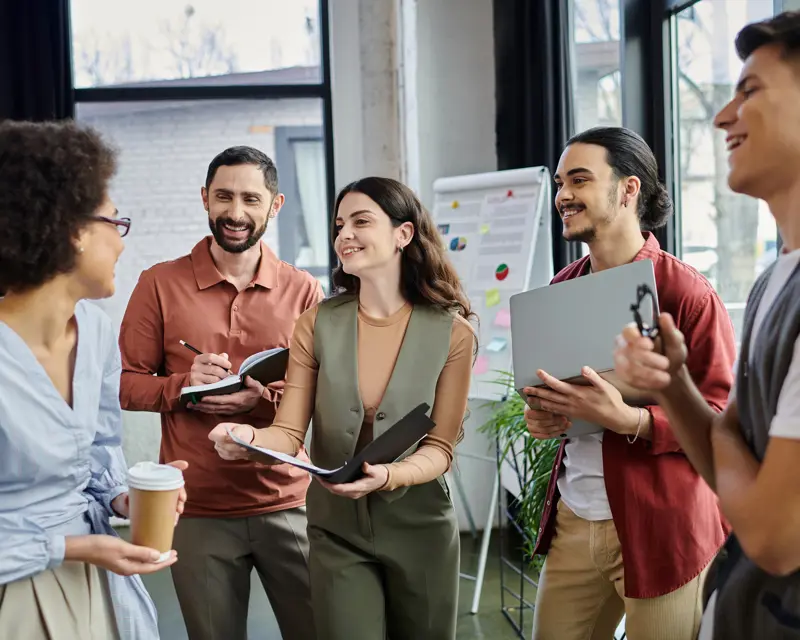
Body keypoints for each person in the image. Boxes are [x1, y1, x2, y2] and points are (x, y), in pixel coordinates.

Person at [209, 176, 476, 640]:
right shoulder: (316, 324)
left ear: (403, 234)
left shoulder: (453, 333)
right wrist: (249, 438)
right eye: (338, 225)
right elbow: (288, 433)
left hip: (421, 527)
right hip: (336, 530)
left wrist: (390, 476)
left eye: (361, 221)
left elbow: (441, 448)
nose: (344, 235)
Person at [613, 12, 800, 640]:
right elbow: (732, 458)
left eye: (750, 91)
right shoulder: (775, 281)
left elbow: (773, 538)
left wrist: (719, 436)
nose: (722, 117)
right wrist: (672, 387)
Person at [524, 127, 736, 640]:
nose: (563, 195)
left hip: (662, 527)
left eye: (580, 180)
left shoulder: (687, 293)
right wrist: (544, 416)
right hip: (576, 518)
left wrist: (631, 420)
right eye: (560, 182)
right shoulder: (561, 286)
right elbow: (557, 399)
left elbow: (723, 417)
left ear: (628, 189)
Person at [119, 146, 323, 640]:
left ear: (274, 206)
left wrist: (261, 401)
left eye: (251, 199)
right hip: (197, 507)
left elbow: (324, 394)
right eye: (224, 197)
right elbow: (125, 386)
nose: (236, 212)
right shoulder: (158, 283)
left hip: (287, 500)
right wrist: (182, 385)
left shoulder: (305, 292)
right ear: (205, 199)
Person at [0, 120, 187, 640]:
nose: (122, 244)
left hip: (97, 582)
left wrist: (124, 501)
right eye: (115, 222)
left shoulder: (98, 335)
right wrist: (72, 547)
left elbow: (97, 457)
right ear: (72, 229)